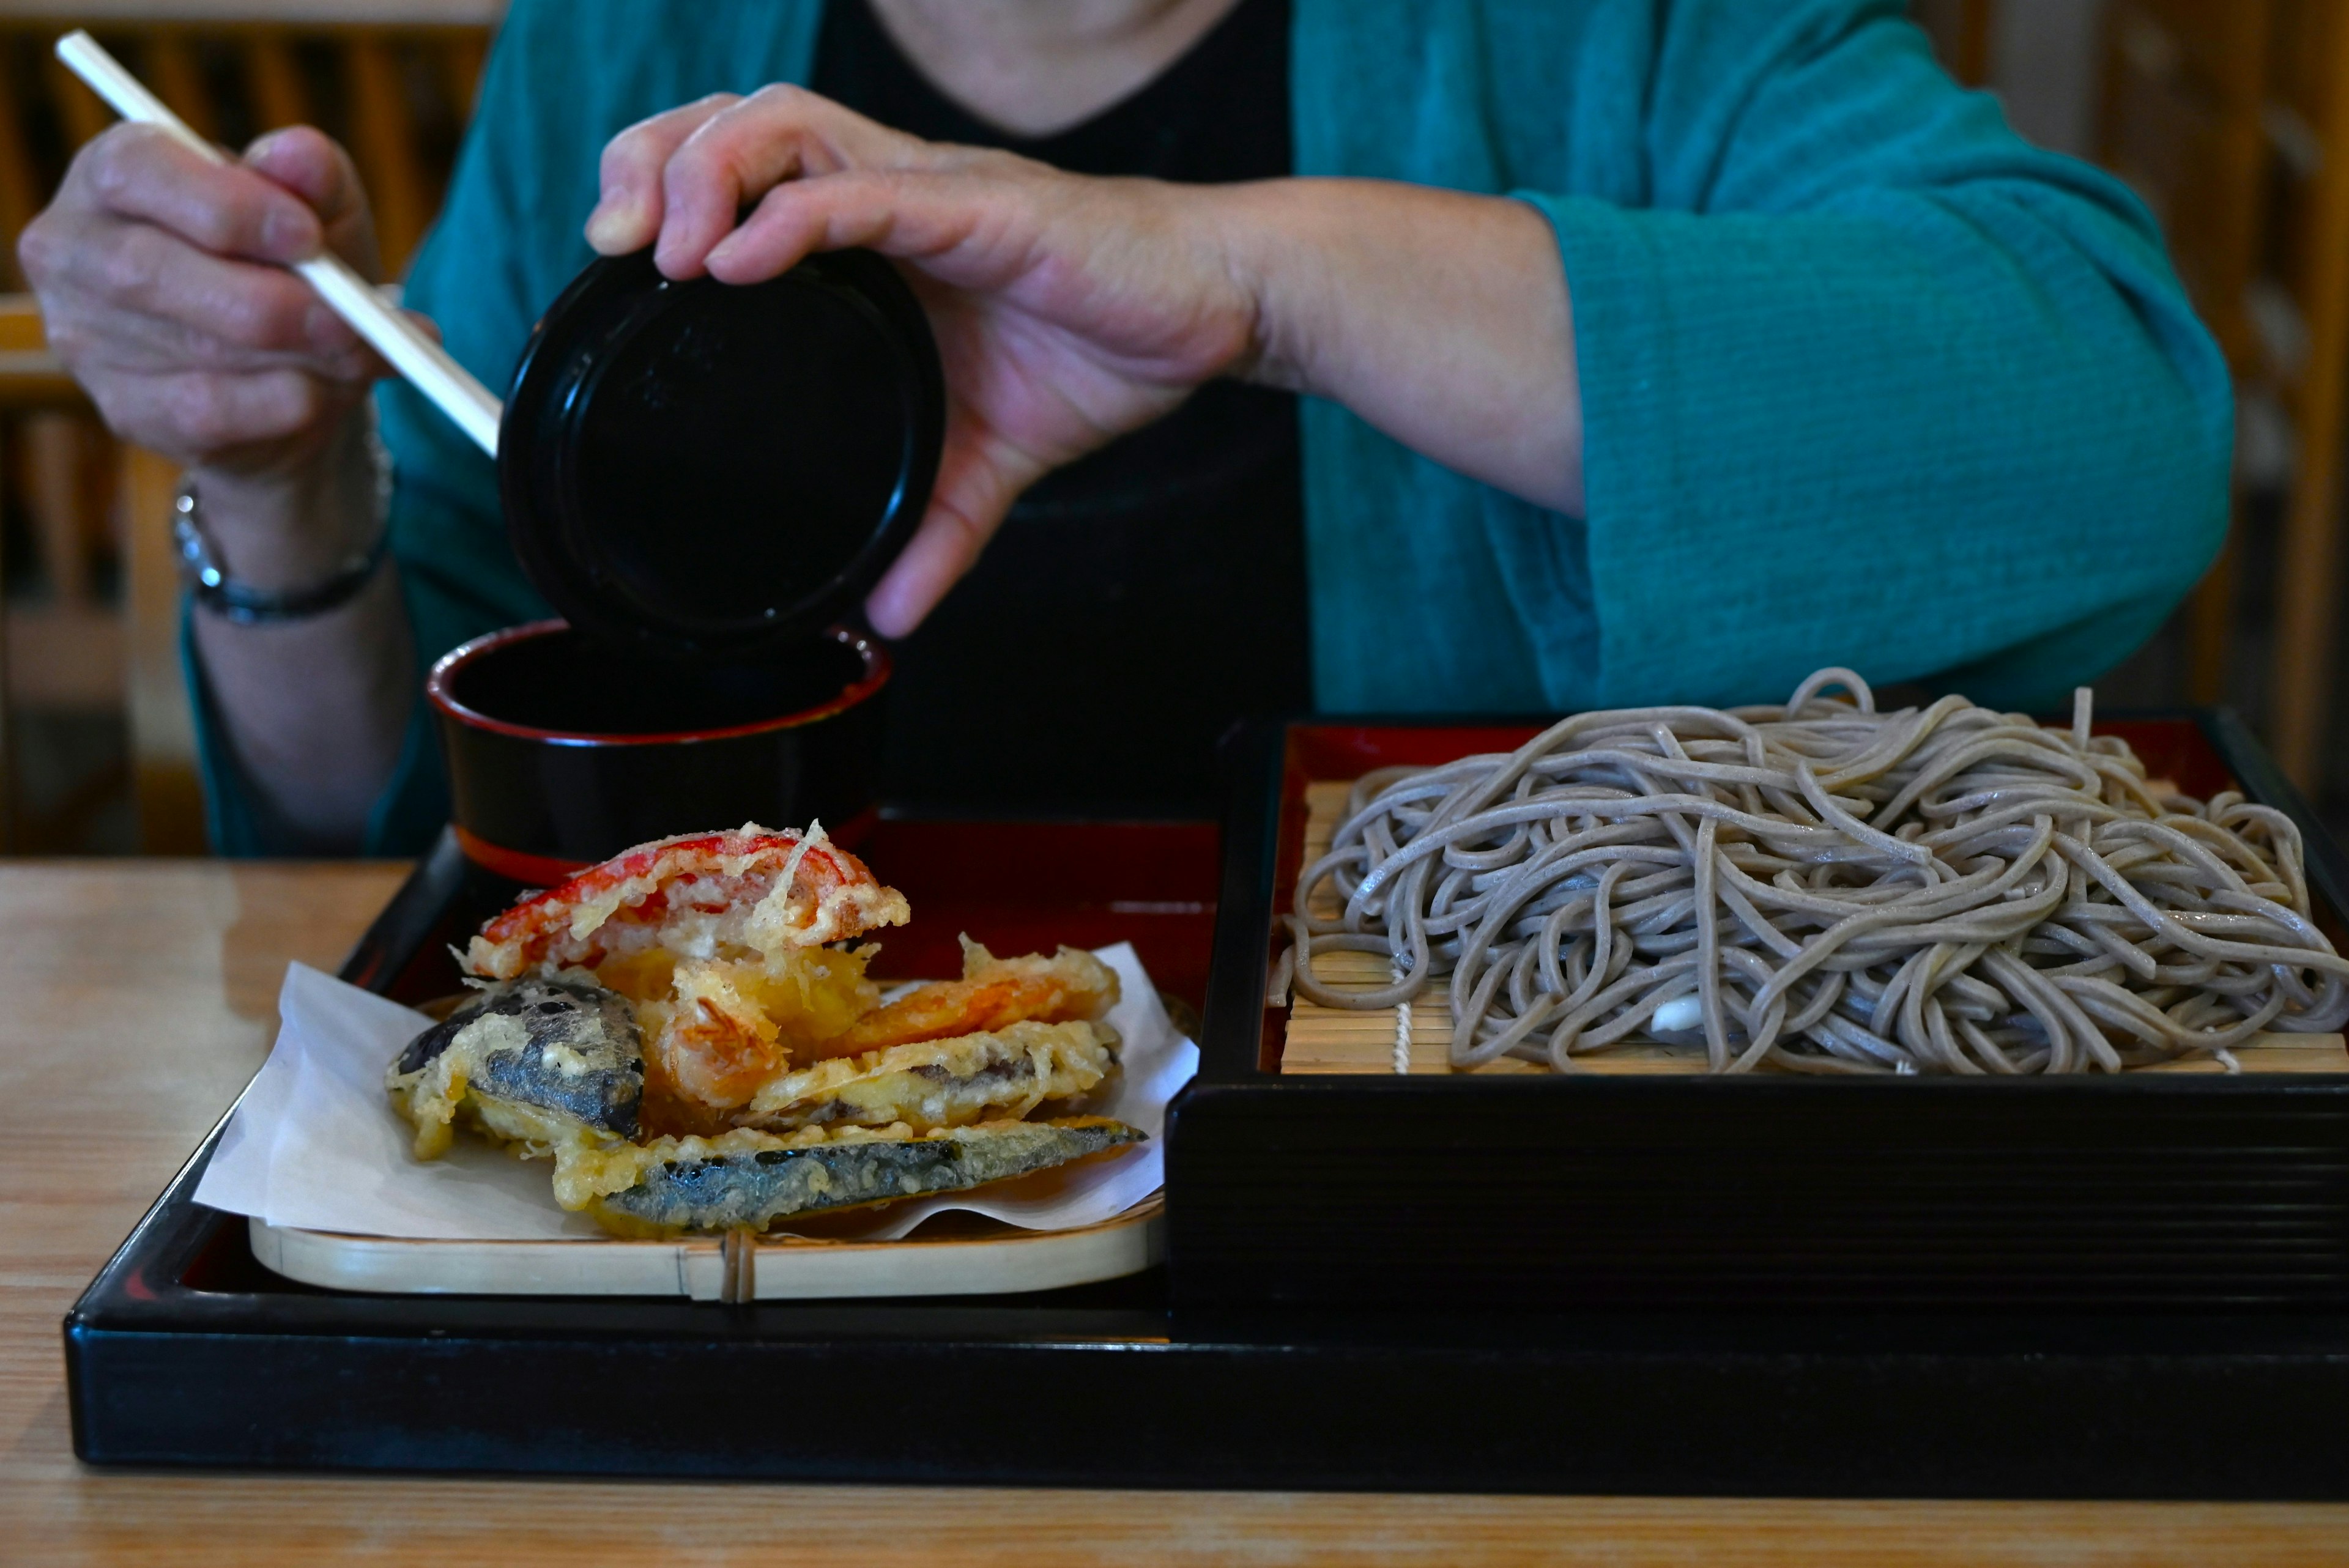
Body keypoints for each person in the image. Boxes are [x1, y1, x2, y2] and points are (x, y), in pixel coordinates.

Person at [19, 0, 2229, 854]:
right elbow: (399, 831)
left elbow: (2111, 415)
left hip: (1426, 1220)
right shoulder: (644, 34)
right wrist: (284, 483)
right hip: (742, 1262)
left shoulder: (1596, 31)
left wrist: (1257, 275)